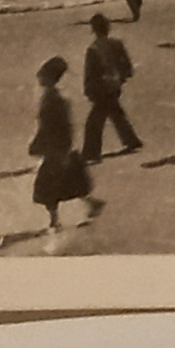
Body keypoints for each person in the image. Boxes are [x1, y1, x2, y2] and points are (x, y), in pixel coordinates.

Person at [28, 56, 102, 232]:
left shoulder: (55, 99)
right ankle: (91, 204)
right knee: (71, 183)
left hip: (57, 148)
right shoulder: (54, 97)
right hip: (58, 147)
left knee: (48, 187)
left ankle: (55, 221)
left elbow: (56, 126)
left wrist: (57, 148)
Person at [81, 14, 143, 162]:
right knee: (116, 113)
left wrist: (88, 90)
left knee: (94, 122)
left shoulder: (93, 49)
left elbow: (90, 74)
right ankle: (131, 140)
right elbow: (127, 67)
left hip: (100, 90)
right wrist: (120, 78)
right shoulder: (117, 44)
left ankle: (91, 153)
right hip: (115, 86)